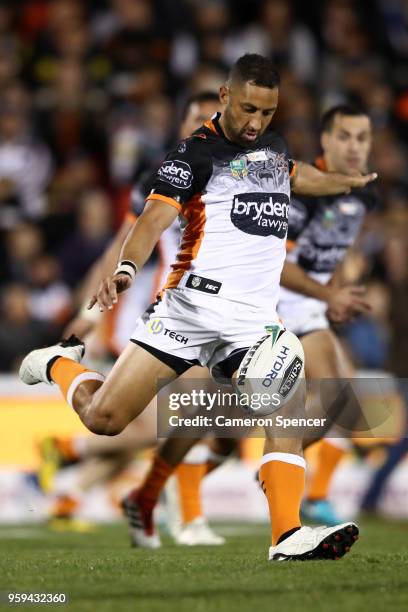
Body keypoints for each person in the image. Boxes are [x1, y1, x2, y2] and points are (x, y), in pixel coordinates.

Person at [19, 54, 376, 561]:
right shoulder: (193, 156)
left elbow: (297, 177)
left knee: (286, 407)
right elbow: (151, 221)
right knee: (106, 419)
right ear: (226, 96)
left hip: (252, 321)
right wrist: (124, 270)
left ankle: (286, 535)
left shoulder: (273, 148)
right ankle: (55, 364)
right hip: (189, 311)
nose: (256, 124)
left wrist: (344, 183)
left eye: (267, 113)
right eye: (248, 109)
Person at [39, 92, 225, 545]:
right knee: (173, 420)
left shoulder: (231, 179)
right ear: (182, 126)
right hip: (160, 319)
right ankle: (184, 517)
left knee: (161, 425)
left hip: (204, 316)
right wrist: (89, 314)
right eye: (195, 118)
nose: (203, 127)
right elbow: (119, 247)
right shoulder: (161, 178)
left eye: (210, 120)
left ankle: (70, 490)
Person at [278, 104, 378, 525]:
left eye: (362, 138)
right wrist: (329, 293)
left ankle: (289, 475)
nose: (354, 147)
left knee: (342, 400)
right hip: (278, 301)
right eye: (345, 136)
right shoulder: (305, 192)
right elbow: (278, 266)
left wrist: (345, 271)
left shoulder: (364, 193)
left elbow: (335, 245)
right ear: (325, 140)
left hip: (311, 301)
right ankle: (286, 474)